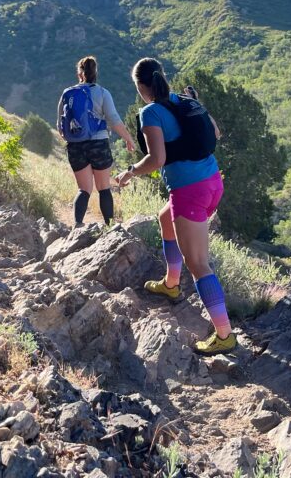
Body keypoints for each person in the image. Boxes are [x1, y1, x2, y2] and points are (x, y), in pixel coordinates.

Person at [115, 58, 235, 356]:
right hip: (212, 182)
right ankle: (171, 284)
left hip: (189, 191)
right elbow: (216, 134)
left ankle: (224, 335)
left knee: (198, 264)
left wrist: (130, 171)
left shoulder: (150, 112)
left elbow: (156, 160)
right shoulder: (185, 100)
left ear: (140, 87)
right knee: (165, 218)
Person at [57, 56, 135, 227]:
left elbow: (60, 128)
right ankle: (110, 229)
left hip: (76, 146)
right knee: (103, 188)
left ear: (79, 74)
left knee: (84, 189)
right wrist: (128, 139)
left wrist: (77, 139)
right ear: (95, 72)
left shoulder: (67, 93)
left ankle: (77, 225)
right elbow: (114, 120)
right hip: (98, 144)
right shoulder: (102, 93)